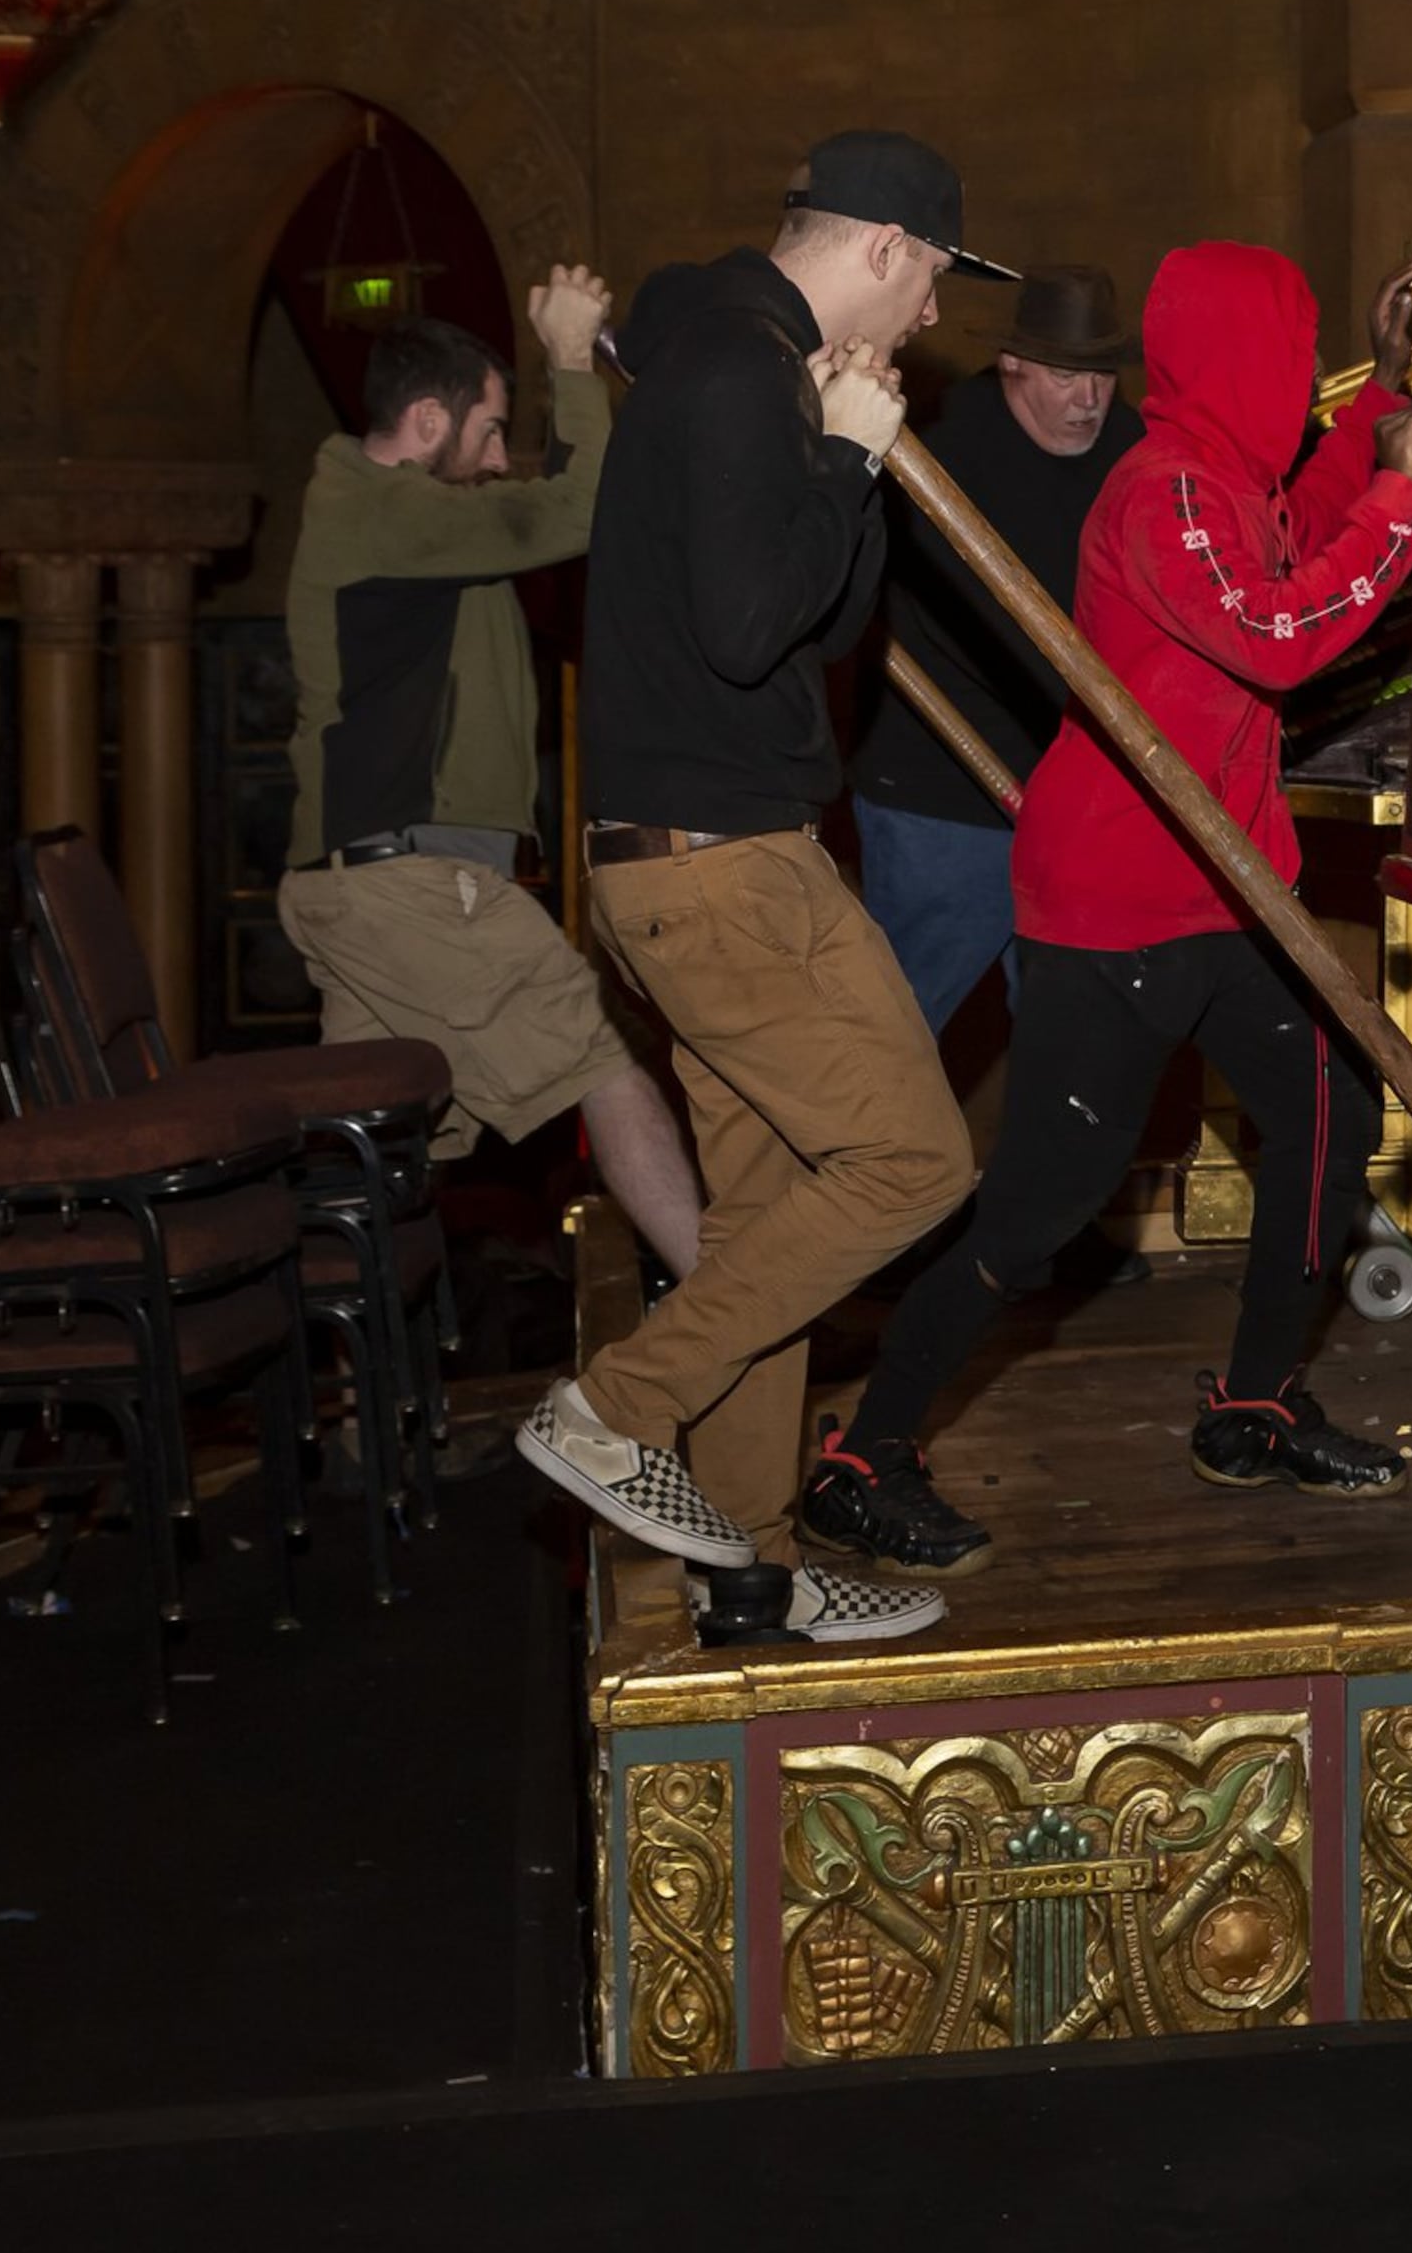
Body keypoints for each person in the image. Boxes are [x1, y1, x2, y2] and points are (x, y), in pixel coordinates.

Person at [805, 242, 1412, 1546]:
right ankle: (863, 1455)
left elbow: (1297, 526)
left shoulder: (1222, 481)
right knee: (1042, 1202)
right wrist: (1401, 508)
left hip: (1223, 888)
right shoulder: (1166, 491)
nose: (1308, 376)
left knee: (1329, 1115)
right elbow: (1278, 632)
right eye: (1300, 352)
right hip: (1120, 894)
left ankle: (1254, 1398)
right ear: (1245, 353)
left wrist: (1381, 412)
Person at [516, 130, 1011, 1648]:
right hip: (721, 867)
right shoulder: (734, 369)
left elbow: (826, 620)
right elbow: (746, 631)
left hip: (707, 859)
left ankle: (753, 1566)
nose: (932, 315)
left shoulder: (741, 365)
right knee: (913, 1164)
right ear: (878, 247)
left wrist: (844, 454)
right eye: (932, 275)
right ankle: (614, 1409)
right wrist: (849, 453)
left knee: (765, 1219)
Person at [277, 279, 702, 1278]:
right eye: (489, 430)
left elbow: (544, 507)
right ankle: (741, 1324)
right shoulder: (380, 514)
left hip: (369, 886)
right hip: (410, 885)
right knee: (604, 1059)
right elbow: (585, 505)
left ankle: (356, 1417)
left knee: (377, 1164)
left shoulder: (412, 526)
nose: (501, 456)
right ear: (426, 421)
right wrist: (567, 359)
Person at [855, 265, 1144, 1029]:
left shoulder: (1131, 445)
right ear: (1014, 363)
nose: (1088, 399)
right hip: (940, 796)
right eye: (1064, 375)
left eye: (1102, 377)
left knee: (1075, 1035)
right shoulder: (941, 442)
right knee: (896, 1035)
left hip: (1076, 798)